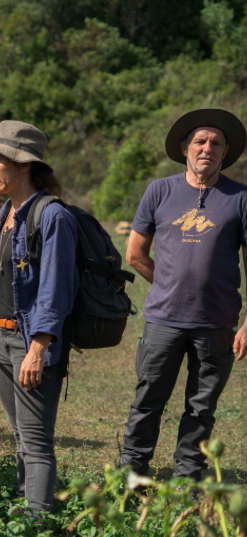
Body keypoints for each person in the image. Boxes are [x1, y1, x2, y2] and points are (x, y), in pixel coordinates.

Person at [120, 109, 247, 480]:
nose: (207, 148)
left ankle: (187, 480)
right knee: (147, 400)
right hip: (163, 319)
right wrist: (168, 284)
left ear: (225, 152)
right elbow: (134, 253)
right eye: (200, 141)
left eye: (216, 143)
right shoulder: (160, 190)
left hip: (218, 323)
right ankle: (132, 477)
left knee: (201, 406)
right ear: (184, 148)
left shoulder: (240, 198)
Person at [0, 121, 78, 516]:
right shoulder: (7, 214)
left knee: (35, 440)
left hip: (30, 342)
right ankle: (23, 508)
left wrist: (38, 349)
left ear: (24, 165)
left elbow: (54, 291)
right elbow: (4, 279)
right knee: (21, 435)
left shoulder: (53, 218)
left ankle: (36, 519)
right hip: (2, 337)